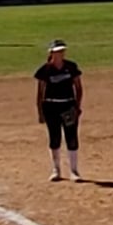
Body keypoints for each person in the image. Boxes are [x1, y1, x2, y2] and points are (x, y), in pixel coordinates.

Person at [34, 40, 84, 182]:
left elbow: (78, 88)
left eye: (62, 51)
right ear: (51, 53)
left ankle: (74, 171)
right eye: (57, 51)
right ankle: (56, 169)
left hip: (68, 105)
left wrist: (77, 106)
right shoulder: (45, 70)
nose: (60, 54)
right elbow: (40, 93)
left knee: (71, 137)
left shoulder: (71, 67)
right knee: (54, 137)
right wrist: (40, 111)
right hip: (51, 107)